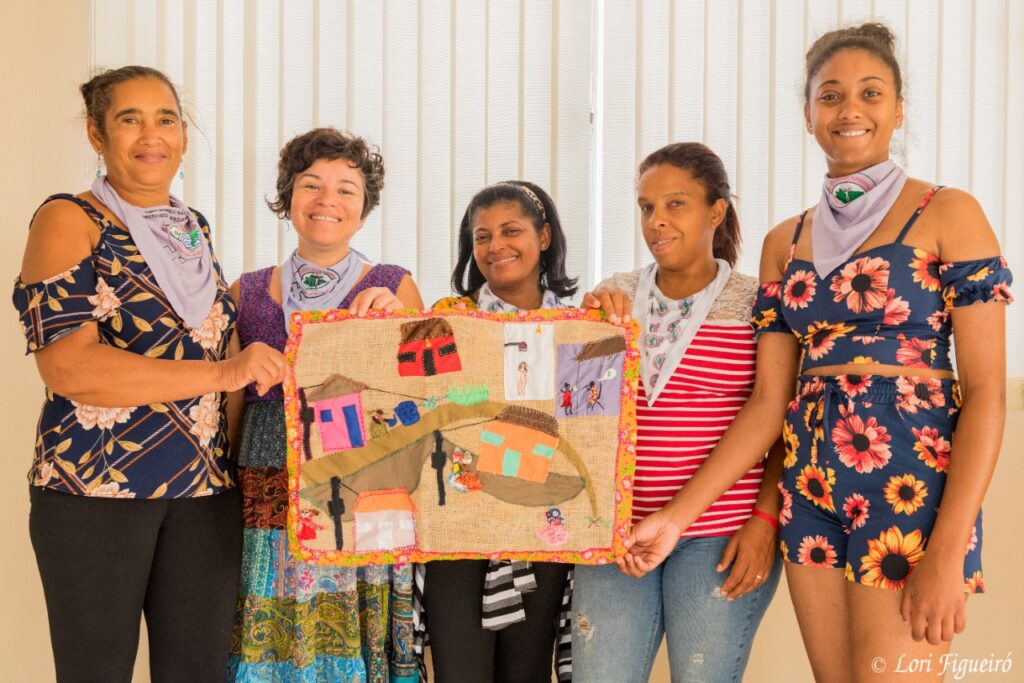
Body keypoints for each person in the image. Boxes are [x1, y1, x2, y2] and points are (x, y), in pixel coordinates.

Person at [13, 65, 285, 683]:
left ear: (183, 136)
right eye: (129, 119)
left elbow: (222, 343)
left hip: (204, 494)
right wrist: (225, 374)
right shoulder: (69, 220)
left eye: (166, 119)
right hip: (96, 492)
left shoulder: (192, 229)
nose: (151, 135)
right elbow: (70, 367)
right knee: (98, 672)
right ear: (97, 134)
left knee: (197, 672)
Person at [577, 142, 784, 681]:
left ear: (716, 211)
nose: (656, 221)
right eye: (647, 207)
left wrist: (764, 521)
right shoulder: (615, 295)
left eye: (676, 204)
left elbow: (782, 423)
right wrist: (584, 329)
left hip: (721, 531)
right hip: (619, 534)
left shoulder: (757, 302)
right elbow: (579, 414)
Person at [226, 127, 424, 682]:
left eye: (345, 189)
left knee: (353, 628)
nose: (326, 200)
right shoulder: (246, 290)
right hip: (265, 483)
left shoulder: (393, 285)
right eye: (311, 185)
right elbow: (231, 404)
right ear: (288, 197)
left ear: (364, 209)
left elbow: (422, 399)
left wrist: (396, 325)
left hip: (360, 487)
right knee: (270, 625)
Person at [422, 180, 578, 683]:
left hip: (545, 532)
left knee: (526, 673)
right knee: (460, 674)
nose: (495, 246)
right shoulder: (446, 323)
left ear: (544, 237)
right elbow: (427, 416)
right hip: (457, 534)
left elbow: (588, 428)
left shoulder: (580, 327)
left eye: (511, 231)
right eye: (482, 236)